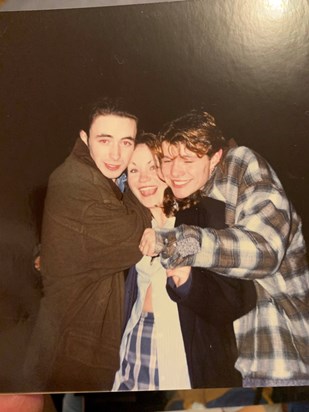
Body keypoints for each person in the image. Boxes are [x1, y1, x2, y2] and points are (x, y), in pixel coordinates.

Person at [140, 110, 309, 387]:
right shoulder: (195, 196)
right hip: (236, 370)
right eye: (168, 159)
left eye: (187, 159)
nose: (175, 171)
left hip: (279, 357)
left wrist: (179, 241)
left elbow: (265, 250)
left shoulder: (240, 163)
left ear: (215, 157)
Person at [23, 97, 151, 392]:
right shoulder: (76, 183)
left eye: (127, 142)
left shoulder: (96, 177)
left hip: (75, 347)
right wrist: (146, 185)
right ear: (84, 138)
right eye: (105, 140)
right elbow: (134, 237)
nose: (116, 154)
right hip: (71, 356)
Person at [113, 133, 256, 390]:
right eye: (133, 170)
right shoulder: (133, 227)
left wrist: (190, 282)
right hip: (133, 358)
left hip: (183, 369)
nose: (143, 179)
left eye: (153, 167)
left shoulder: (204, 217)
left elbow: (240, 298)